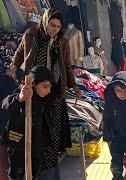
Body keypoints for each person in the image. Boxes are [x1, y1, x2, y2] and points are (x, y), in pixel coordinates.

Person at [5, 8, 81, 179]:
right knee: (34, 126)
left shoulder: (62, 41)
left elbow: (67, 66)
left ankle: (49, 166)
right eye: (52, 25)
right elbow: (19, 52)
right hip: (33, 86)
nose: (54, 29)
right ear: (45, 21)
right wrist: (14, 67)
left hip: (52, 89)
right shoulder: (31, 34)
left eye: (58, 26)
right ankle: (33, 166)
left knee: (52, 129)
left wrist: (74, 86)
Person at [1, 66, 58, 179]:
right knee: (17, 174)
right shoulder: (23, 93)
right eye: (45, 87)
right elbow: (5, 103)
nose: (48, 90)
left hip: (36, 145)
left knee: (34, 171)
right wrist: (20, 98)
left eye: (50, 87)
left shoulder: (45, 99)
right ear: (33, 84)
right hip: (18, 145)